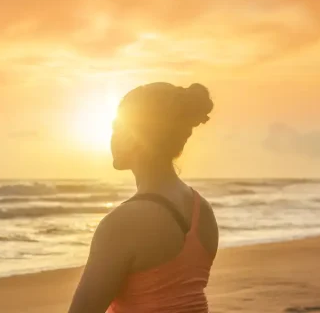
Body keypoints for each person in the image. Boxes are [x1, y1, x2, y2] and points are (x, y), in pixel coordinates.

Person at [68, 82, 219, 313]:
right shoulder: (202, 211)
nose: (112, 137)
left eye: (117, 128)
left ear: (135, 136)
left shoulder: (123, 223)